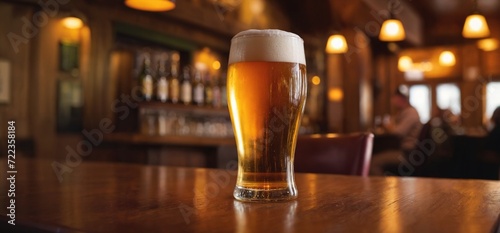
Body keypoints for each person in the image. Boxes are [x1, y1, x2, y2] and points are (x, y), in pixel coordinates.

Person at [370, 88, 422, 176]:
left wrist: (388, 126)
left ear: (401, 99)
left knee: (373, 163)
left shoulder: (411, 113)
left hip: (408, 153)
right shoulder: (402, 112)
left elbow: (397, 133)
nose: (392, 101)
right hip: (403, 150)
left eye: (394, 98)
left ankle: (380, 188)